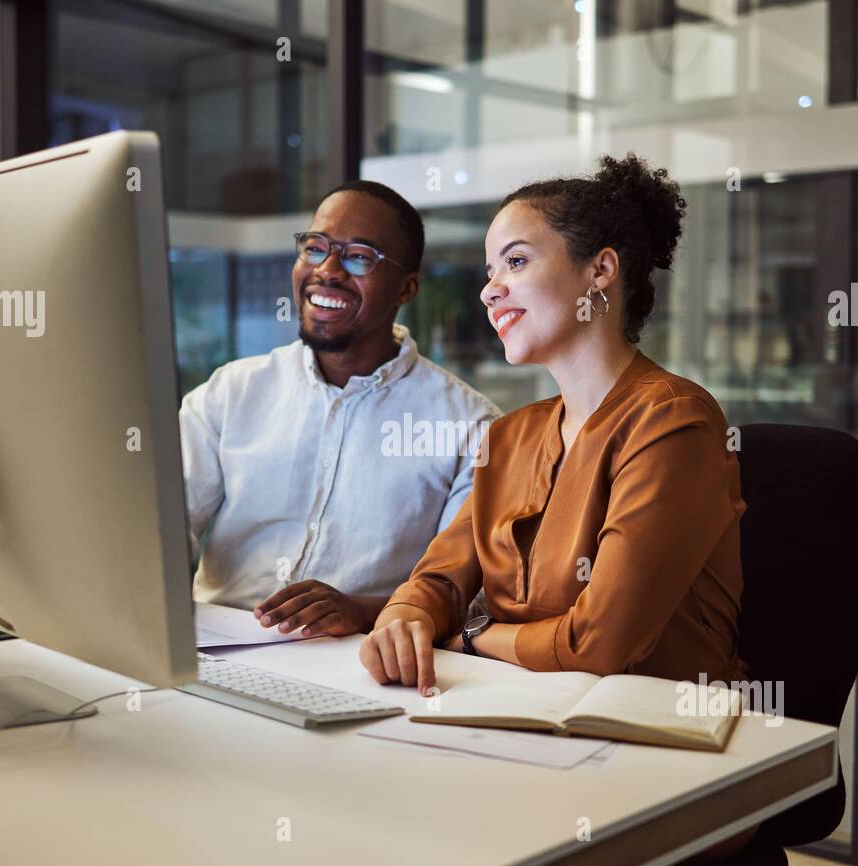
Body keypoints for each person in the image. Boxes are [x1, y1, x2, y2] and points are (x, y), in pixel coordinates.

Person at [359, 153, 750, 694]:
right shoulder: (510, 436)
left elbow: (600, 645)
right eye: (490, 271)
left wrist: (474, 636)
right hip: (520, 709)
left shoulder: (673, 420)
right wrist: (406, 621)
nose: (489, 289)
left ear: (601, 270)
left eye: (515, 262)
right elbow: (437, 583)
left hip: (651, 734)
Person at [180, 180, 501, 637]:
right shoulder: (230, 393)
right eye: (315, 248)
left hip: (361, 661)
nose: (327, 270)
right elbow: (159, 531)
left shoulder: (470, 426)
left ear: (406, 288)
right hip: (213, 647)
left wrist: (364, 611)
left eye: (359, 257)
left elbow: (469, 597)